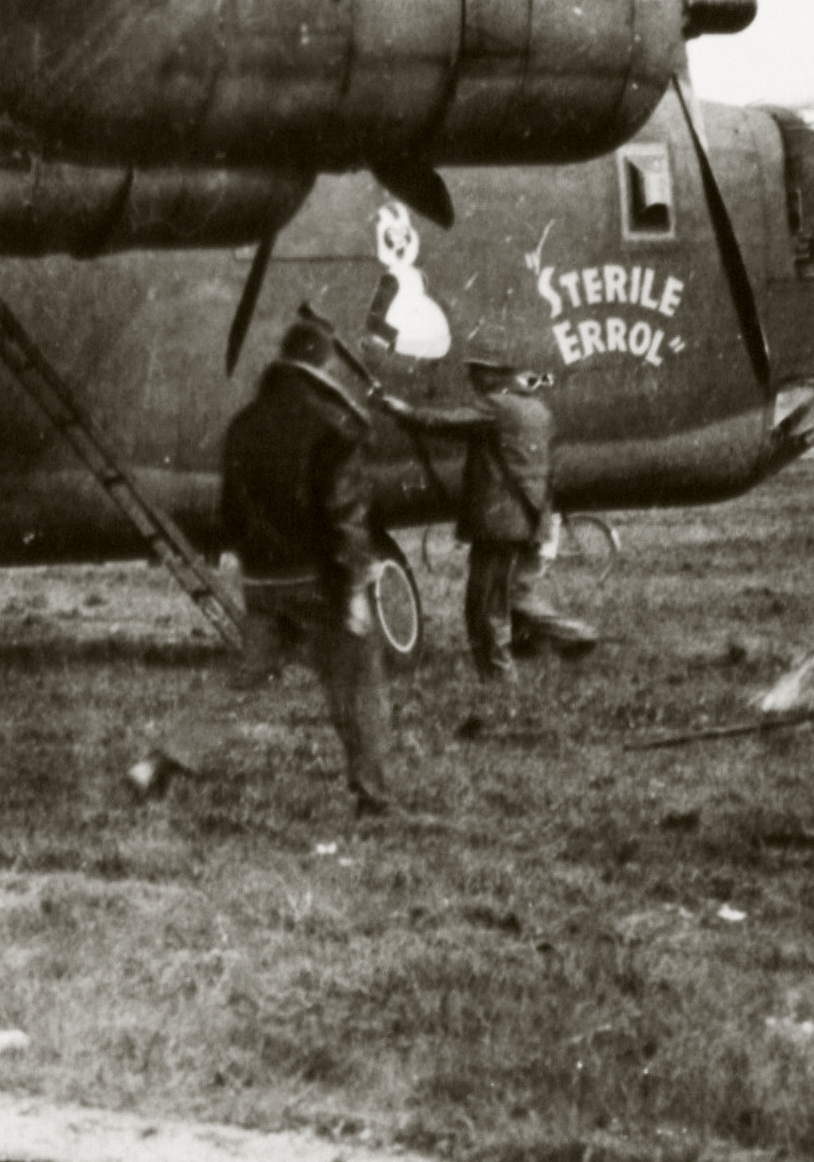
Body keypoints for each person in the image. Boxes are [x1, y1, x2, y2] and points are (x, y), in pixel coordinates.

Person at [126, 315, 397, 815]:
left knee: (245, 678)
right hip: (322, 582)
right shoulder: (337, 424)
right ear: (324, 362)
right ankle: (372, 794)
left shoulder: (244, 423)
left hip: (263, 581)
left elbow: (229, 510)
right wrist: (355, 589)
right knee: (357, 683)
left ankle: (157, 764)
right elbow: (343, 516)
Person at [382, 347, 596, 687]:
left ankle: (500, 680)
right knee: (514, 596)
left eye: (478, 373)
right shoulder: (538, 410)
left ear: (497, 374)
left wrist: (403, 412)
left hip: (500, 523)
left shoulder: (498, 406)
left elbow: (445, 423)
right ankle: (570, 634)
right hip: (531, 519)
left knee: (485, 607)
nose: (473, 380)